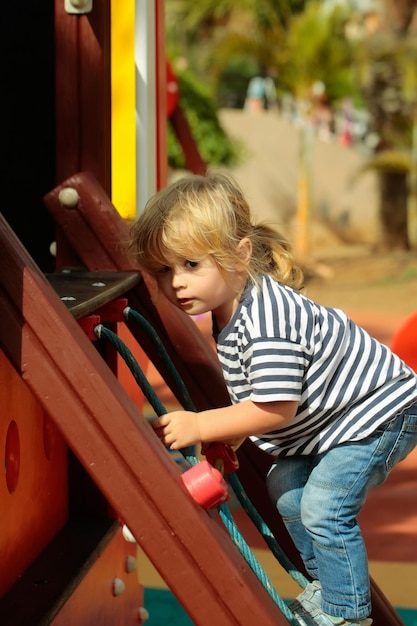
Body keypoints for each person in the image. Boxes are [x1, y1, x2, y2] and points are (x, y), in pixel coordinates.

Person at [128, 171, 417, 626]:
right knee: (285, 488)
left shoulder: (266, 322)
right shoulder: (231, 310)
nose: (176, 283)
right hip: (335, 418)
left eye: (190, 265)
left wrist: (203, 425)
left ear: (239, 255)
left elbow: (276, 407)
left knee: (325, 506)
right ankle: (329, 590)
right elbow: (261, 394)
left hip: (380, 412)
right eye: (164, 270)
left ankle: (348, 614)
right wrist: (234, 435)